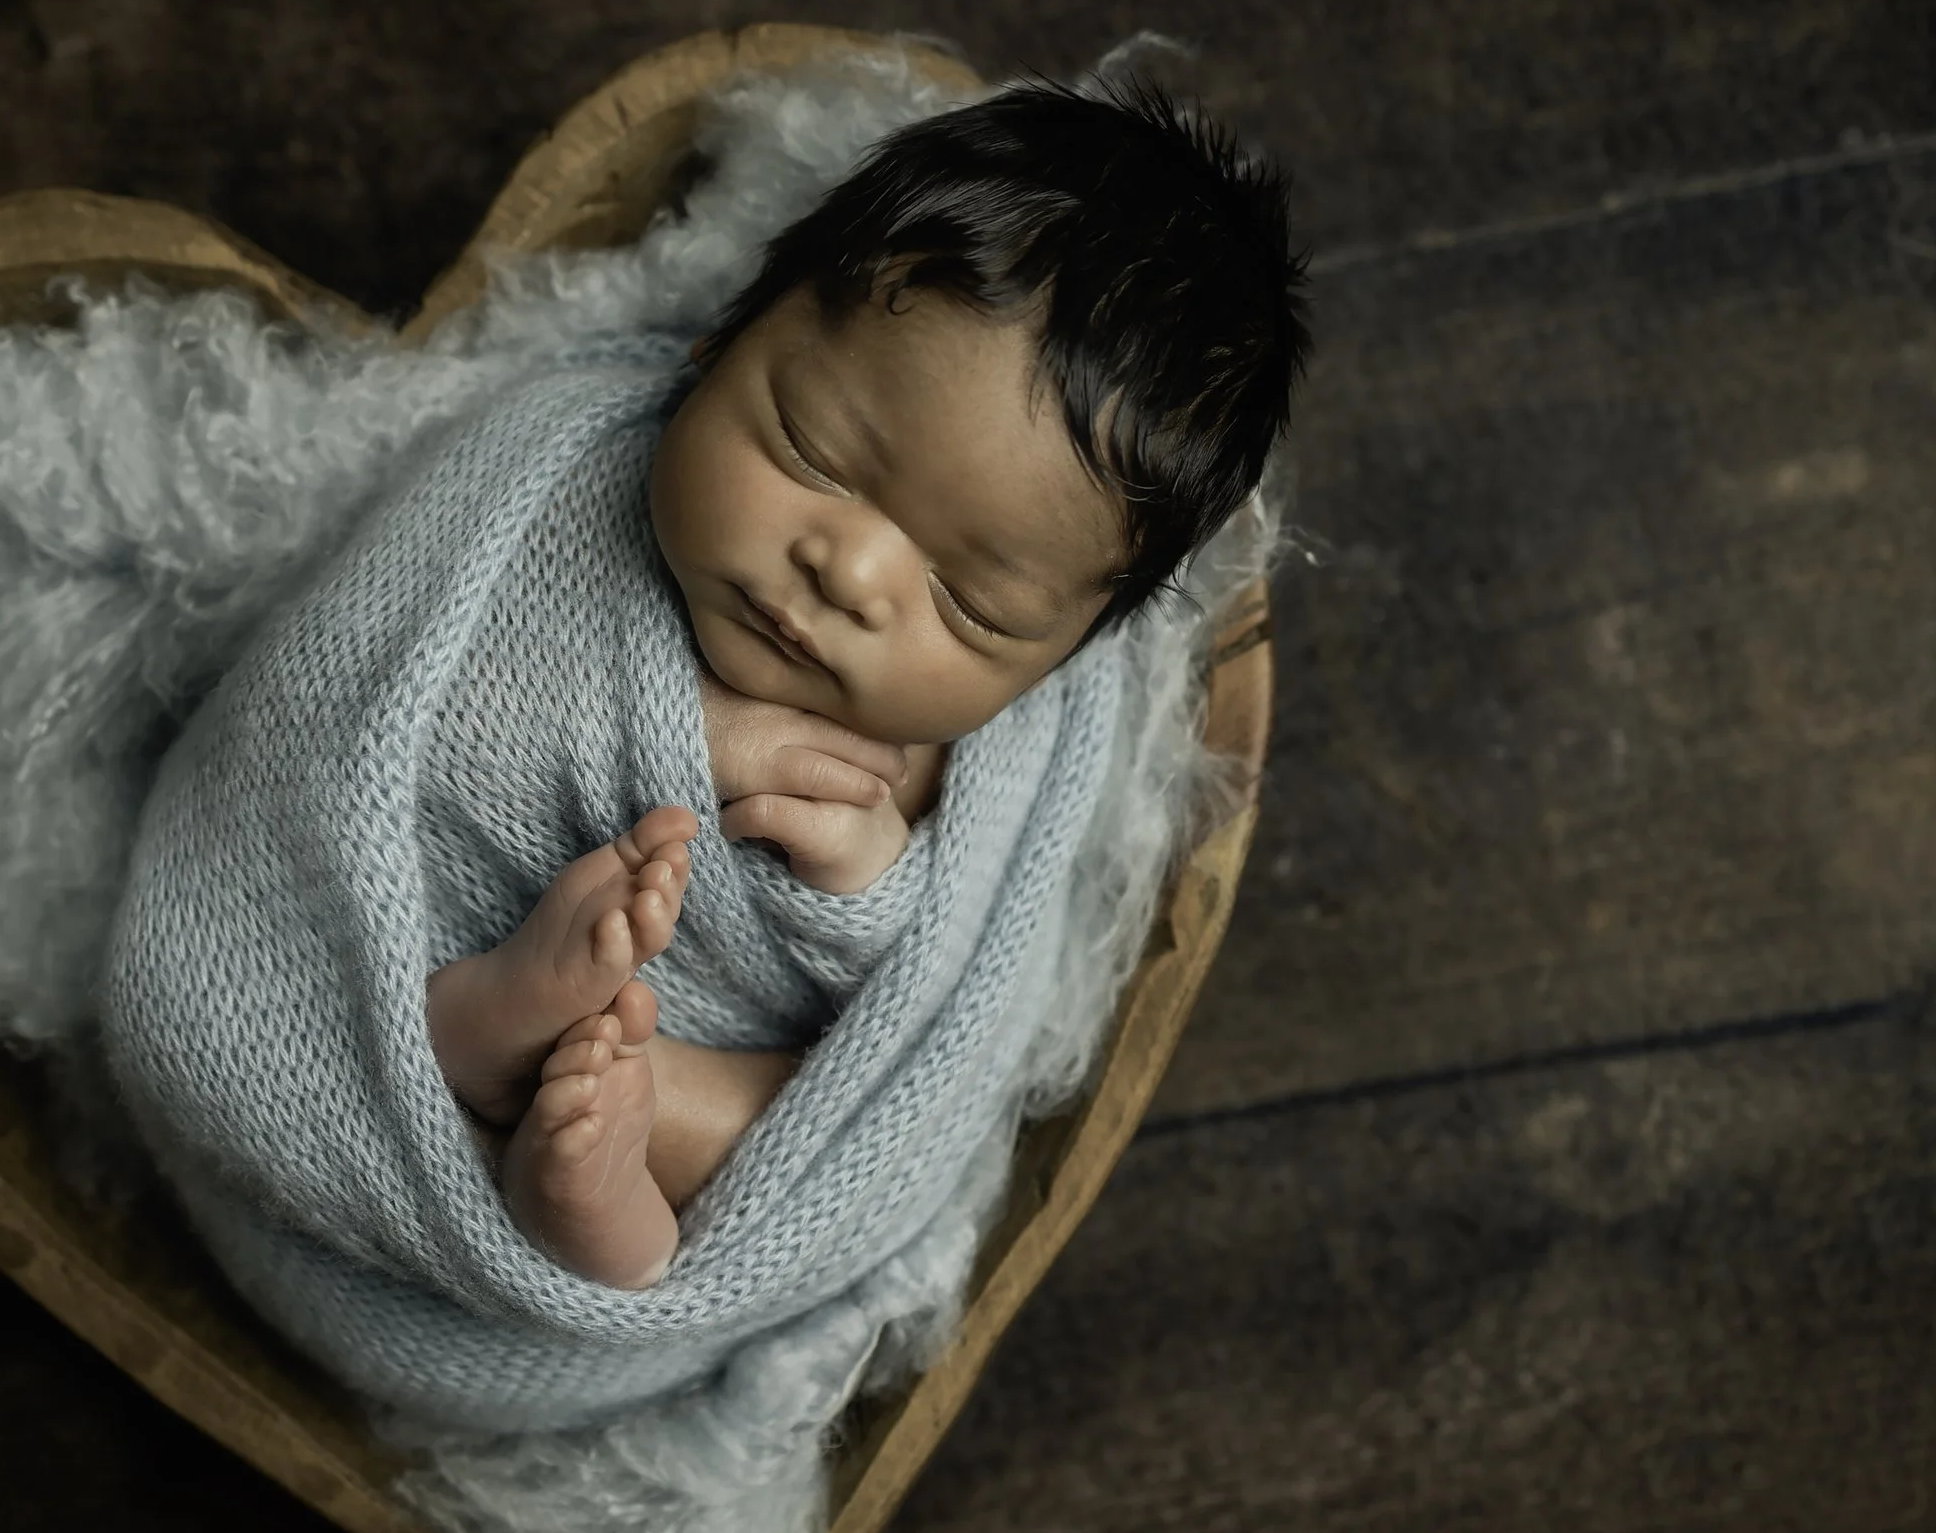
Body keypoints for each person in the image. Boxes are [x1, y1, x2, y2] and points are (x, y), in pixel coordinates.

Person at [411, 74, 1309, 1289]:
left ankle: (597, 1193)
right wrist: (680, 737)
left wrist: (862, 887)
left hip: (676, 1080)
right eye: (812, 450)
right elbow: (390, 696)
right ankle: (472, 1039)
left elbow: (930, 1008)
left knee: (821, 1120)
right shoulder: (551, 489)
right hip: (415, 968)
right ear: (724, 335)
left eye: (970, 603)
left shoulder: (967, 767)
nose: (852, 572)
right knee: (488, 1028)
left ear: (1059, 661)